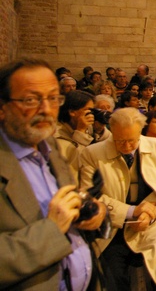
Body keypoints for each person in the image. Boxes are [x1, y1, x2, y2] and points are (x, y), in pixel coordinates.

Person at [0, 58, 106, 290]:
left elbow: (60, 202)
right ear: (3, 107)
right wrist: (51, 229)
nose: (46, 110)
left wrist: (89, 211)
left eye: (53, 98)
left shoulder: (49, 144)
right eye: (31, 99)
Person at [79, 107, 156, 290]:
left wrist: (151, 214)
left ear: (140, 133)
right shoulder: (92, 154)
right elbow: (90, 196)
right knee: (111, 276)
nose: (127, 146)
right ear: (111, 132)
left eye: (132, 141)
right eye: (120, 141)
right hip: (112, 225)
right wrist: (131, 212)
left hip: (154, 222)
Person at [55, 90, 100, 178]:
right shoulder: (57, 134)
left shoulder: (88, 126)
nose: (91, 114)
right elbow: (77, 162)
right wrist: (81, 131)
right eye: (88, 110)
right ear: (72, 112)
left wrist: (100, 130)